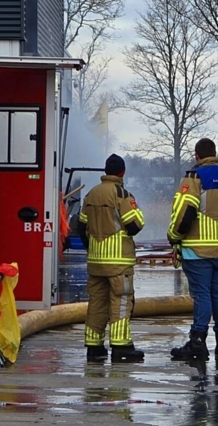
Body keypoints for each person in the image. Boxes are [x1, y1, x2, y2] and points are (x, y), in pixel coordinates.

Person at [169, 138, 218, 361]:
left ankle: (197, 342)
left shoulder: (194, 178)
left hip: (197, 248)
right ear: (215, 154)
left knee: (201, 294)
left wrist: (173, 237)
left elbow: (184, 214)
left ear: (197, 156)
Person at [78, 154, 146, 362]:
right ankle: (121, 346)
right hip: (118, 262)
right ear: (122, 172)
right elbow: (134, 225)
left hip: (96, 261)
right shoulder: (122, 194)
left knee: (97, 302)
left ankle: (94, 346)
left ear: (105, 171)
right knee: (121, 301)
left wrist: (93, 248)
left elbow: (81, 226)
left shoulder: (91, 194)